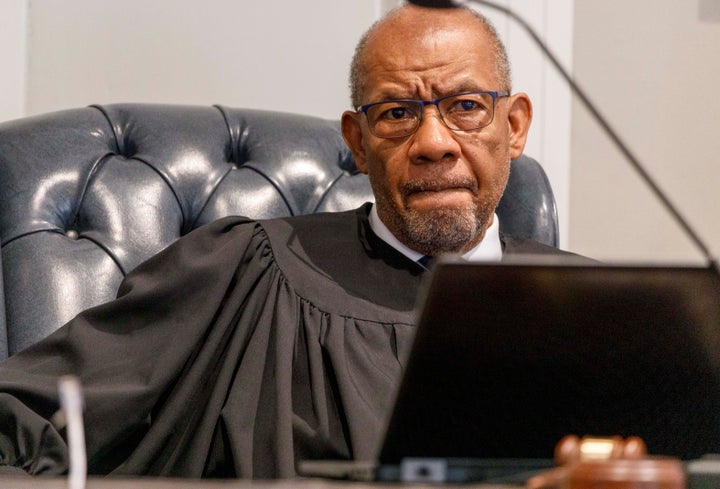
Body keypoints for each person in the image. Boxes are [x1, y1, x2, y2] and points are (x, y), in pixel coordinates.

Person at [0, 4, 586, 480]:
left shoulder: (592, 307)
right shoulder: (245, 270)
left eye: (464, 107)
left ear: (513, 127)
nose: (434, 142)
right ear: (357, 143)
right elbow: (23, 412)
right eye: (397, 114)